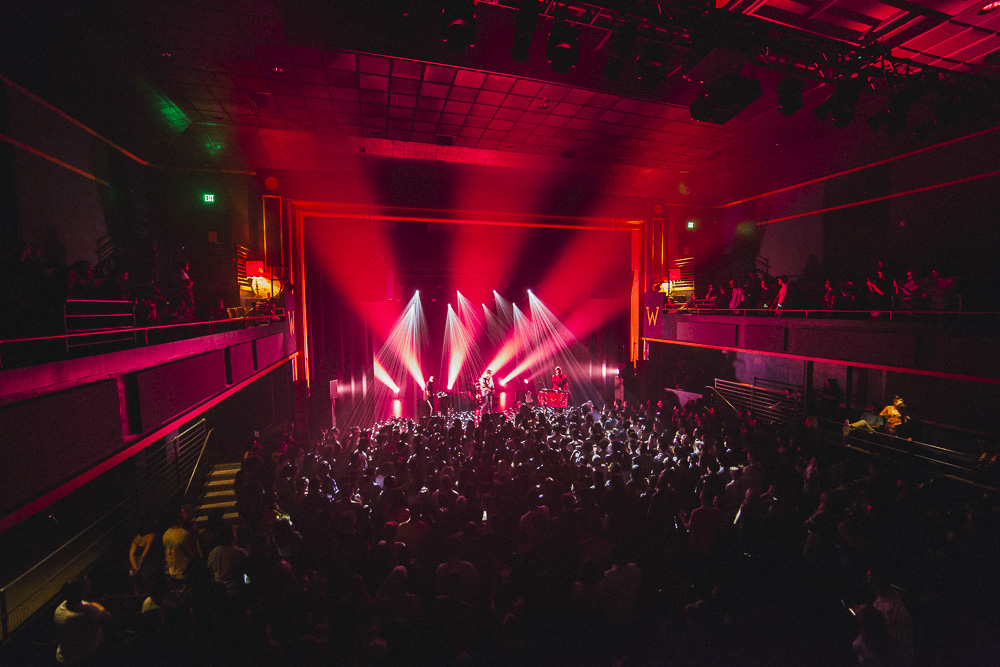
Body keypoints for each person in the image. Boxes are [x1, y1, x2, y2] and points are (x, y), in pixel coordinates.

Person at [53, 575, 110, 665]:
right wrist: (97, 606)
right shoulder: (84, 613)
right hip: (82, 658)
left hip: (64, 656)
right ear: (81, 592)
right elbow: (106, 616)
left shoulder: (60, 607)